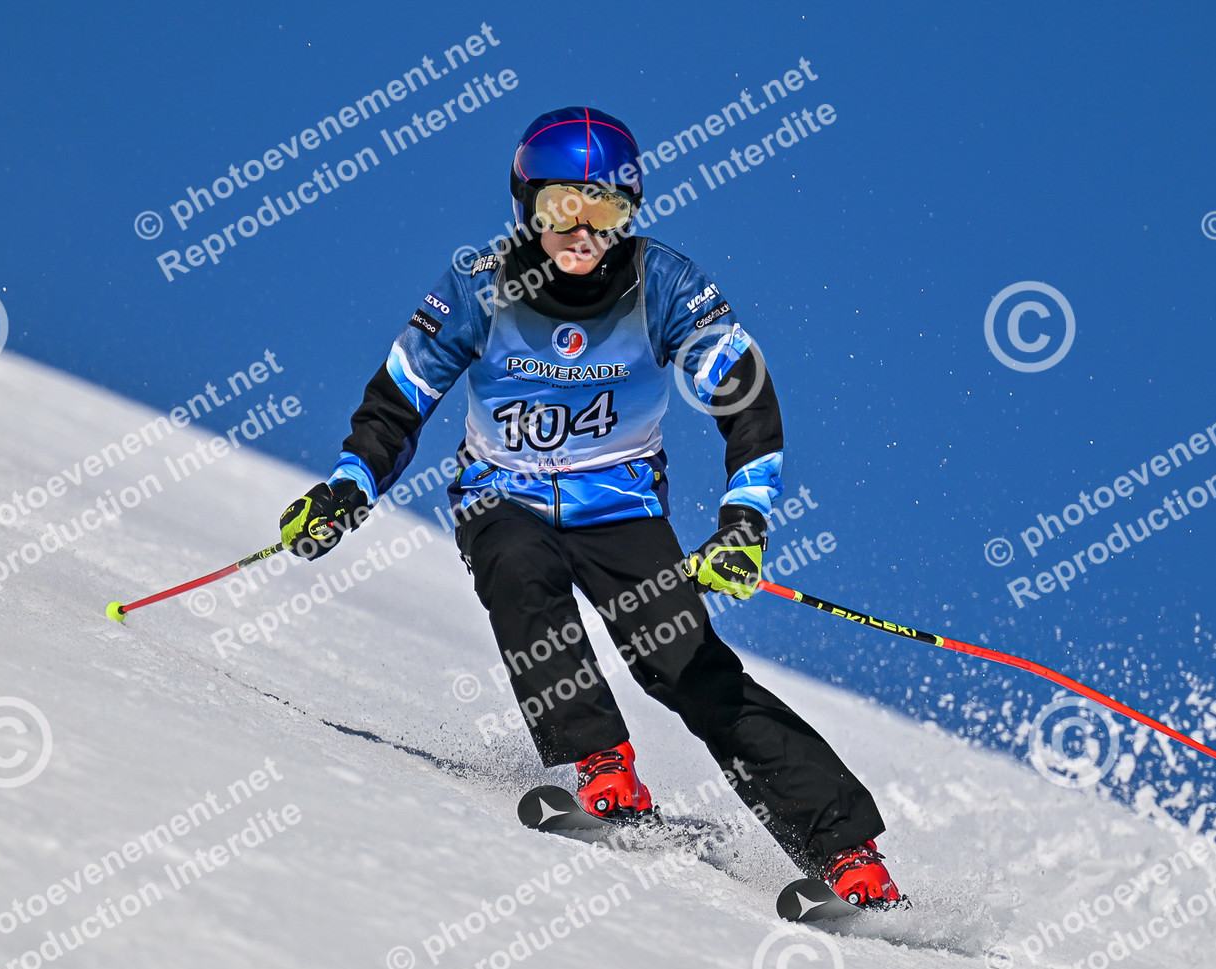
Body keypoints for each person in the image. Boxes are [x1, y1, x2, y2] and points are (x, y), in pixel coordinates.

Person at [279, 106, 900, 907]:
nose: (581, 232)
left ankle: (849, 854)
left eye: (605, 211)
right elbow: (401, 398)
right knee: (517, 568)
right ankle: (602, 766)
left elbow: (746, 398)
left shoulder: (663, 285)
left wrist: (743, 523)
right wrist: (348, 486)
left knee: (686, 665)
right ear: (526, 206)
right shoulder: (478, 285)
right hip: (504, 495)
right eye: (560, 208)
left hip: (620, 509)